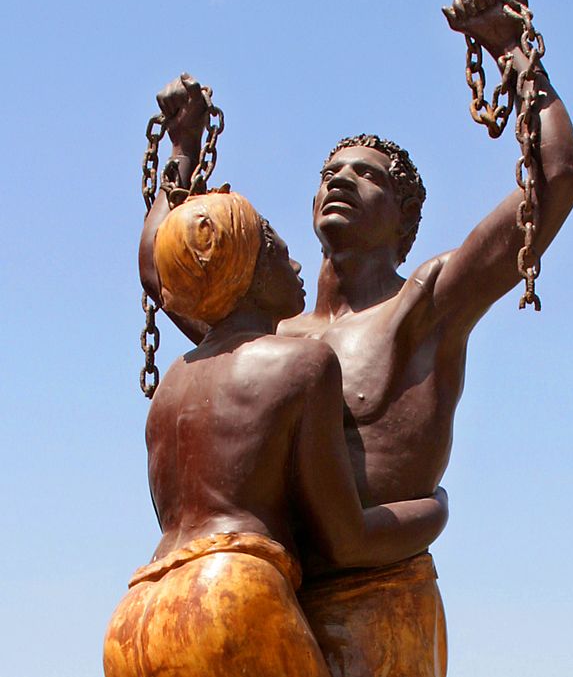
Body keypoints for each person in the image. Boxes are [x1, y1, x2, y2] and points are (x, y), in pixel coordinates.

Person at [139, 0, 573, 677]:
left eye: (367, 176)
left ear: (404, 220)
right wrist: (184, 155)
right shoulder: (268, 334)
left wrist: (515, 56)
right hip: (269, 603)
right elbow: (165, 274)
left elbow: (555, 180)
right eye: (330, 172)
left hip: (379, 601)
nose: (341, 180)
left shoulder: (425, 304)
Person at [106, 187, 449, 677]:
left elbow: (157, 267)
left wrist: (177, 168)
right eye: (283, 256)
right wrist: (433, 509)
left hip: (137, 616)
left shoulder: (172, 385)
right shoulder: (302, 363)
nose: (299, 267)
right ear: (252, 268)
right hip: (230, 593)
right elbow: (345, 540)